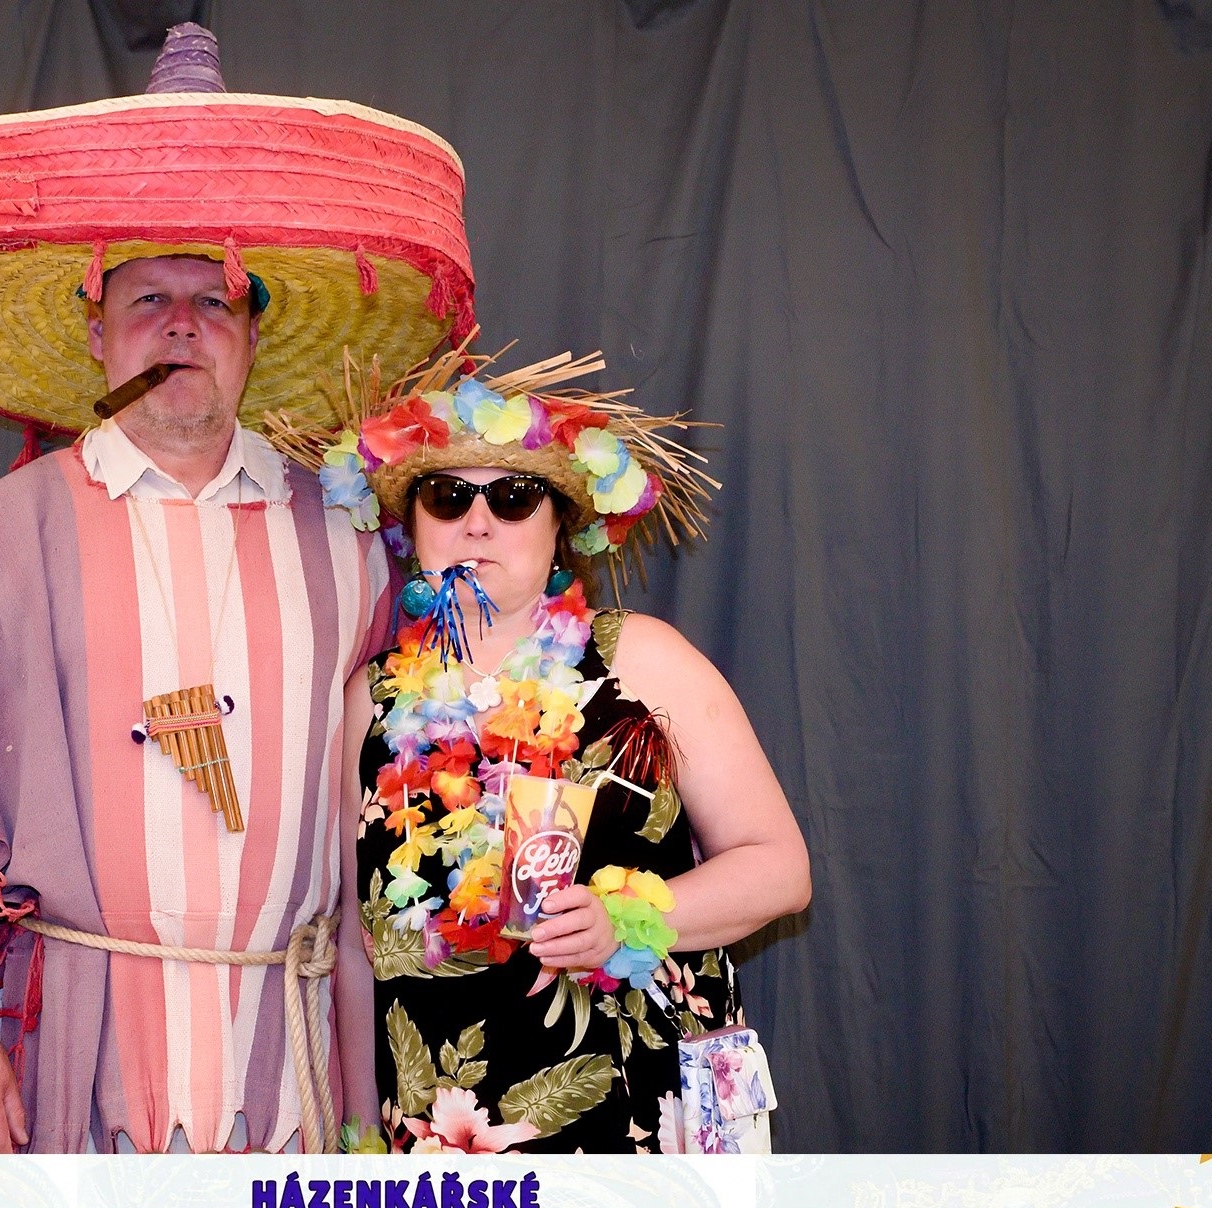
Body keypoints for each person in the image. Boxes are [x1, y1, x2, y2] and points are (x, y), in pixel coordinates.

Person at [0, 25, 476, 1153]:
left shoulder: (350, 534)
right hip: (70, 1042)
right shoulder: (13, 528)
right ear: (97, 335)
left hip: (295, 1049)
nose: (183, 326)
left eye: (215, 301)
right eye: (149, 299)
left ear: (252, 341)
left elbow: (414, 772)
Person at [277, 349, 812, 1152]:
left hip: (636, 1121)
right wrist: (360, 1141)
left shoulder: (641, 660)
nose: (477, 522)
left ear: (559, 524)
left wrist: (627, 923)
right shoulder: (373, 699)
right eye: (447, 496)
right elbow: (360, 949)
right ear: (413, 525)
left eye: (513, 497)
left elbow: (781, 869)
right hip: (440, 1147)